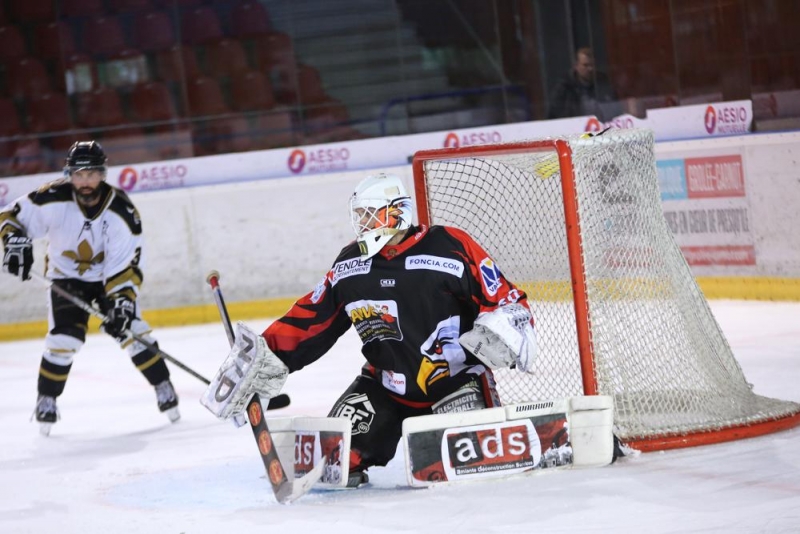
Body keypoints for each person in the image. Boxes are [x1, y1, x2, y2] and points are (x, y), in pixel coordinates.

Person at [205, 173, 538, 487]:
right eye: (360, 215)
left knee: (463, 469)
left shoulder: (448, 246)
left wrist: (506, 326)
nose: (362, 223)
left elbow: (504, 299)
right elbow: (310, 319)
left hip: (454, 383)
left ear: (397, 214)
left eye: (370, 214)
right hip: (383, 387)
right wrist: (262, 358)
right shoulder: (351, 264)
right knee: (330, 465)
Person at [0, 141, 179, 435]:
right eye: (78, 174)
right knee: (64, 339)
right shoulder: (51, 198)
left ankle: (162, 384)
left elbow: (127, 264)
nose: (85, 181)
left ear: (103, 174)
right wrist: (14, 241)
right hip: (65, 277)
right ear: (69, 174)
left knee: (133, 330)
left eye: (91, 174)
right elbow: (11, 216)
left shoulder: (122, 211)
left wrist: (121, 301)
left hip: (109, 279)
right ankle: (47, 398)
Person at [547, 47, 620, 121]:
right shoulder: (564, 87)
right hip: (577, 128)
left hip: (603, 126)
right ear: (576, 66)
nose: (590, 69)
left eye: (592, 65)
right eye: (585, 65)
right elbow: (555, 115)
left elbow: (615, 108)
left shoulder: (603, 82)